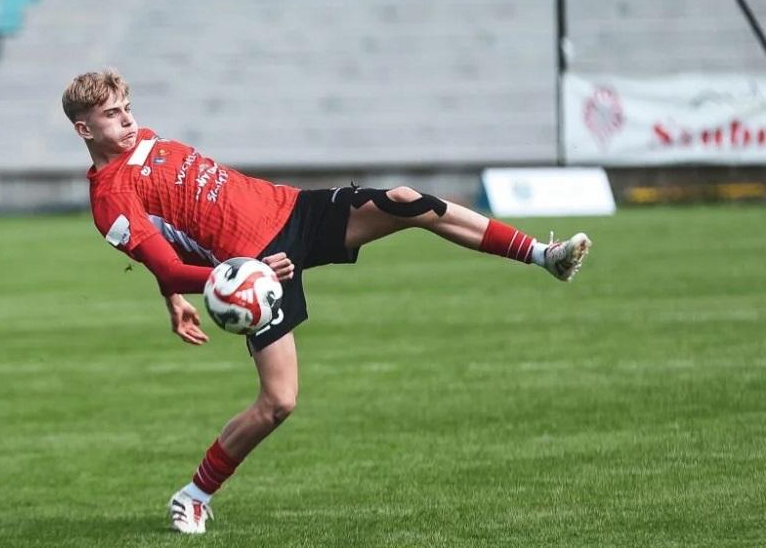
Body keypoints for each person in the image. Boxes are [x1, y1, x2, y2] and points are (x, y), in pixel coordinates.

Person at [62, 69, 592, 535]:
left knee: (409, 202)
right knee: (279, 402)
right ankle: (194, 495)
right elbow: (167, 261)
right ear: (85, 130)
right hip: (255, 269)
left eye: (128, 108)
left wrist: (172, 298)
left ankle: (545, 256)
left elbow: (169, 239)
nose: (128, 120)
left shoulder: (145, 142)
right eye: (112, 115)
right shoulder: (111, 200)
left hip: (292, 210)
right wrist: (228, 278)